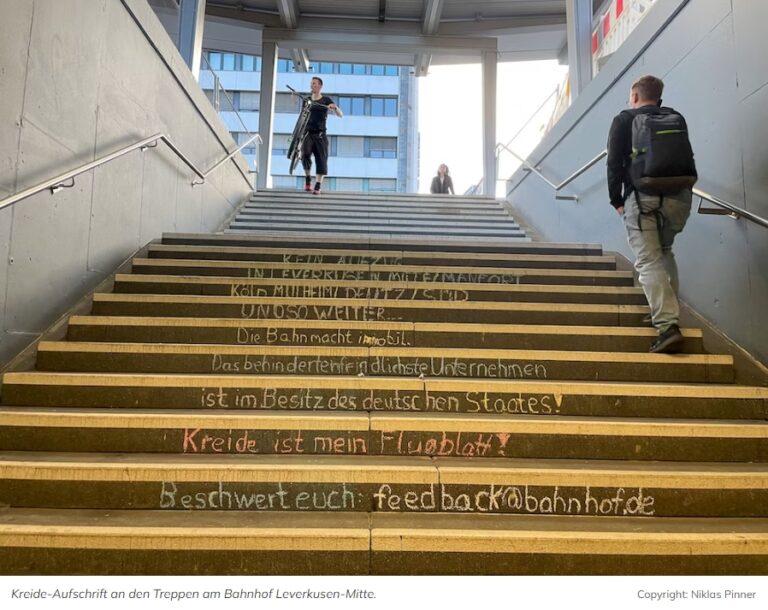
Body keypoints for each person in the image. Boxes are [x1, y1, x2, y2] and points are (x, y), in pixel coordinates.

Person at [607, 74, 696, 353]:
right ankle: (665, 311)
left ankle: (667, 326)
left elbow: (613, 162)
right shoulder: (675, 117)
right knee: (665, 251)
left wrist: (616, 200)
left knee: (647, 260)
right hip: (680, 197)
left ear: (634, 96)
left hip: (643, 197)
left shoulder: (624, 119)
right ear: (659, 98)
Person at [300, 76, 342, 195]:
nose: (311, 85)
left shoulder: (326, 100)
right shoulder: (307, 100)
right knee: (305, 154)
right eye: (311, 83)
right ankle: (308, 178)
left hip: (320, 134)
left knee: (321, 159)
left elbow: (340, 114)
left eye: (314, 84)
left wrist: (335, 108)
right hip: (308, 132)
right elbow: (302, 116)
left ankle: (317, 185)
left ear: (319, 86)